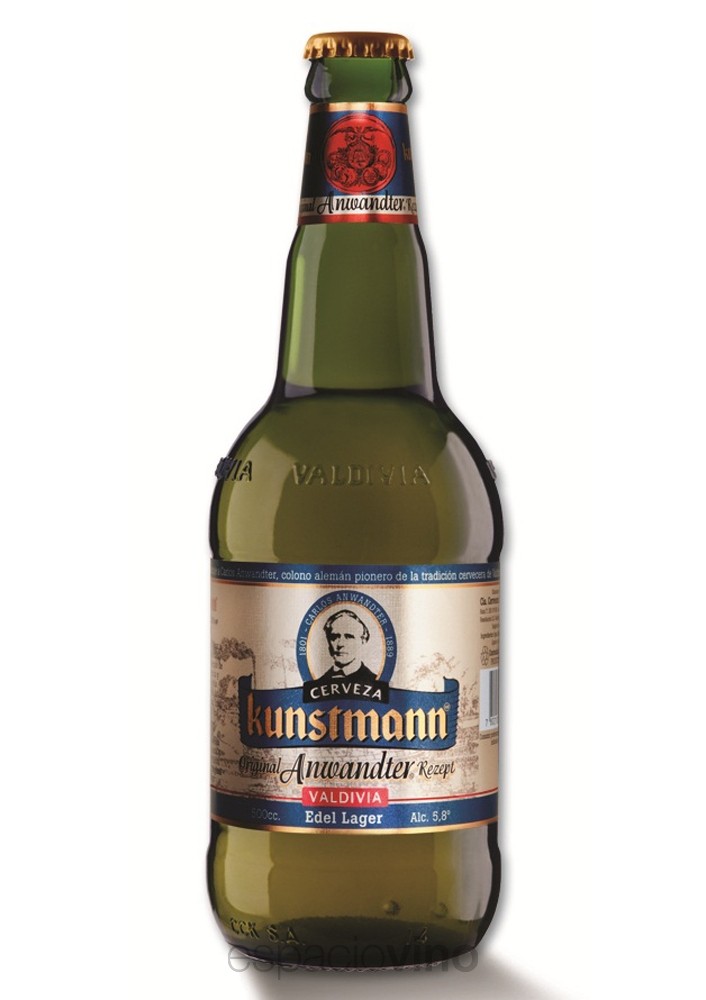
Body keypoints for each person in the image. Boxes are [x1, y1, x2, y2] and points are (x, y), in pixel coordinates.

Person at [317, 610, 378, 684]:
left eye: (349, 637)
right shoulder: (316, 684)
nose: (340, 644)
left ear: (363, 641)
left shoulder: (376, 683)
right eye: (335, 637)